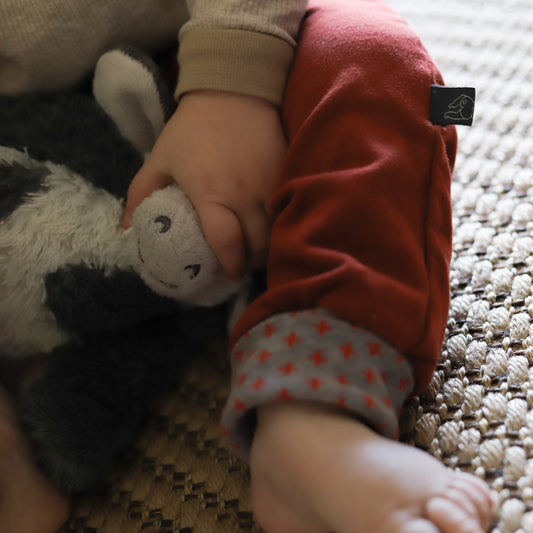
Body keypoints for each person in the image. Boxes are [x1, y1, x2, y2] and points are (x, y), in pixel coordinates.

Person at [0, 1, 493, 533]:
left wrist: (230, 80)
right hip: (28, 151)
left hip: (211, 51)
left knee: (376, 60)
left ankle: (313, 410)